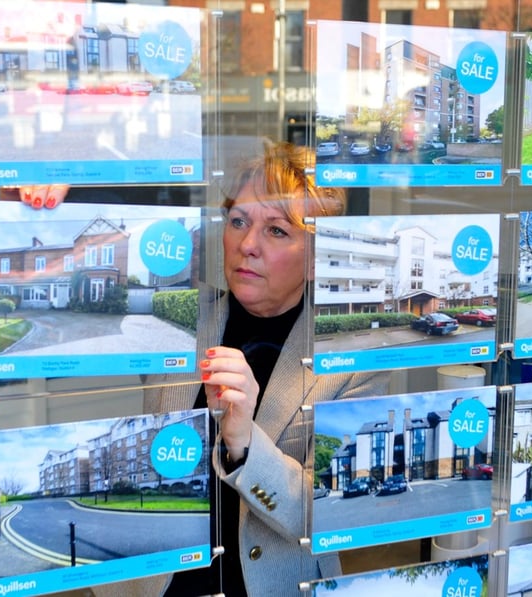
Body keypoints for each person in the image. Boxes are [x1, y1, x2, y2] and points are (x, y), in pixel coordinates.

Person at [97, 141, 388, 597]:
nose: (247, 245)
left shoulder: (351, 360)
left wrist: (245, 443)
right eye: (239, 222)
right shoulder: (181, 320)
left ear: (316, 257)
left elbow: (331, 511)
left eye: (276, 231)